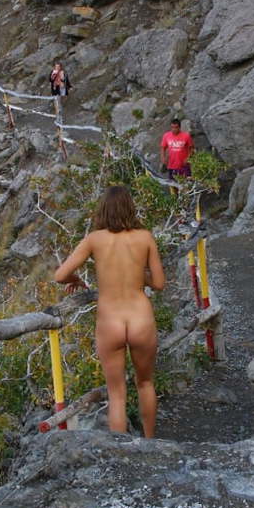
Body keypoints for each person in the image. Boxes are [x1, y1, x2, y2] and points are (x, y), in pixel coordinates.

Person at [54, 185, 166, 439]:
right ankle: (150, 443)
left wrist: (76, 280)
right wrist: (140, 275)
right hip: (140, 318)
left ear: (103, 209)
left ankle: (121, 452)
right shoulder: (145, 237)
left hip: (110, 320)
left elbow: (60, 275)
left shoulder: (94, 239)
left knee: (117, 395)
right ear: (130, 208)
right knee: (145, 383)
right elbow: (159, 283)